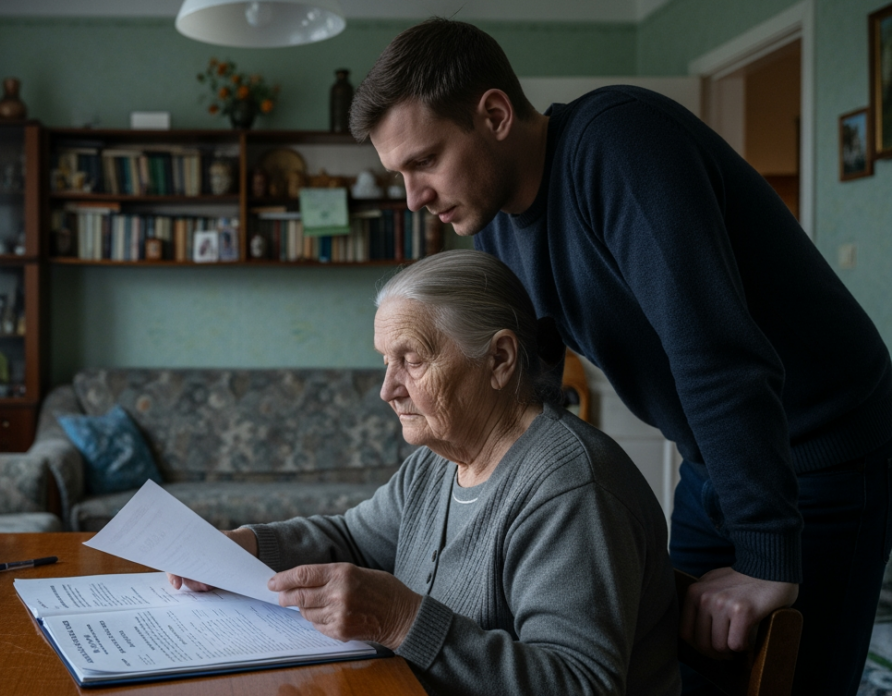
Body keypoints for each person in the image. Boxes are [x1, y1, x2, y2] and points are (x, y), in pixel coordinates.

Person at [349, 18, 892, 695]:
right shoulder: (493, 235)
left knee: (793, 682)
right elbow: (522, 400)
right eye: (399, 173)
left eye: (424, 160)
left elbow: (713, 353)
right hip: (712, 458)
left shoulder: (619, 144)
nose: (413, 197)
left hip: (827, 446)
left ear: (492, 114)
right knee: (677, 671)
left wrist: (768, 557)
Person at [172, 250, 680, 695]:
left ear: (499, 359)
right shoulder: (438, 462)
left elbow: (579, 684)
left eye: (411, 360)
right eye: (386, 362)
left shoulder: (571, 491)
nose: (387, 389)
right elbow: (353, 538)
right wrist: (246, 546)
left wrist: (402, 619)